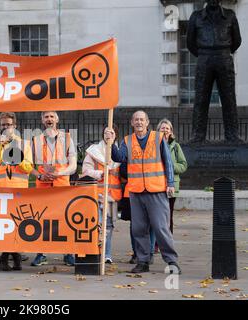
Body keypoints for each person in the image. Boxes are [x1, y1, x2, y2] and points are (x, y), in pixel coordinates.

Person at [109, 110, 181, 274]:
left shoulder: (158, 137)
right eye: (136, 120)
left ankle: (171, 261)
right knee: (138, 229)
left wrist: (170, 182)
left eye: (142, 120)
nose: (139, 122)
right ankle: (143, 261)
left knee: (161, 227)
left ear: (147, 123)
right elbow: (119, 157)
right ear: (132, 123)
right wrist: (111, 142)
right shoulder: (127, 141)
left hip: (156, 190)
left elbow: (168, 161)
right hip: (136, 192)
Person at [187, 0, 243, 144]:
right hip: (204, 58)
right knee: (200, 99)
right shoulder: (196, 16)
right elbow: (190, 43)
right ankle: (198, 136)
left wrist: (223, 52)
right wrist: (204, 53)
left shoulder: (230, 15)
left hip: (224, 58)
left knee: (229, 99)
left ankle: (232, 135)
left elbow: (237, 40)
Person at [30, 111, 77, 267]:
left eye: (52, 116)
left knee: (64, 219)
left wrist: (60, 173)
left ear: (57, 119)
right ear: (42, 119)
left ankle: (68, 253)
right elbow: (28, 165)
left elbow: (73, 165)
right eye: (46, 117)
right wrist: (38, 176)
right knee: (41, 219)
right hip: (43, 185)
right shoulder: (35, 140)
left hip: (62, 185)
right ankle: (41, 253)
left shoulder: (68, 138)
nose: (49, 119)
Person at [0, 112, 33, 271]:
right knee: (5, 224)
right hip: (2, 189)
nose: (5, 128)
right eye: (3, 125)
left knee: (17, 224)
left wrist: (16, 154)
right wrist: (1, 146)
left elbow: (29, 167)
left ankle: (12, 255)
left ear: (14, 126)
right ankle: (8, 255)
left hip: (19, 189)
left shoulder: (24, 144)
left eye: (8, 125)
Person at [80, 125, 121, 264]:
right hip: (96, 194)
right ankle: (94, 252)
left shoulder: (120, 153)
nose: (108, 135)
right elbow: (86, 170)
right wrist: (101, 173)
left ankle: (107, 254)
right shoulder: (94, 151)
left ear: (116, 135)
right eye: (105, 132)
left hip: (112, 195)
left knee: (109, 225)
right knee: (96, 224)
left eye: (111, 133)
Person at [157, 119, 188, 234]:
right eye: (162, 128)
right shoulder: (154, 144)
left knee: (168, 215)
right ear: (158, 130)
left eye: (167, 128)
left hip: (171, 186)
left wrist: (170, 165)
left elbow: (183, 165)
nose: (165, 130)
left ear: (171, 131)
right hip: (156, 184)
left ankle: (168, 242)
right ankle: (156, 243)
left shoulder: (176, 146)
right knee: (157, 216)